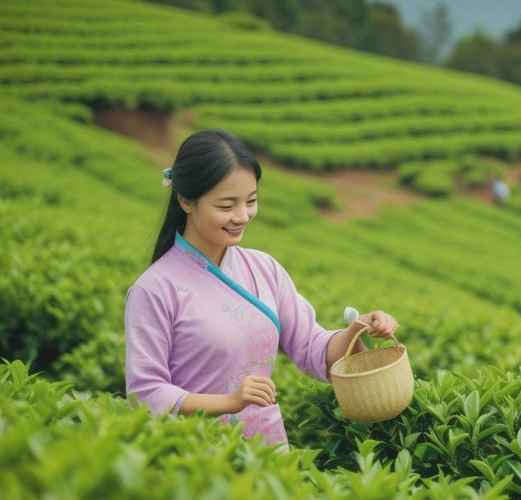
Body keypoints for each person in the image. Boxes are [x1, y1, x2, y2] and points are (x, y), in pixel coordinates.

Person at [124, 129, 399, 446]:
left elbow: (311, 347)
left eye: (250, 201)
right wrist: (229, 402)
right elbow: (146, 392)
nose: (242, 216)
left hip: (267, 450)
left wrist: (356, 330)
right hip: (195, 455)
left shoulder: (264, 269)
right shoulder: (155, 289)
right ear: (186, 200)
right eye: (227, 206)